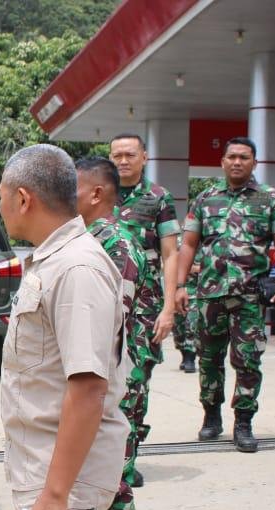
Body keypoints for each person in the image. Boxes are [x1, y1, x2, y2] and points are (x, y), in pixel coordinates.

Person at [0, 144, 128, 510]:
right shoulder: (55, 260)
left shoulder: (75, 268)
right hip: (50, 470)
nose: (1, 205)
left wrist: (55, 497)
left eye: (2, 196)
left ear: (23, 198)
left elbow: (88, 389)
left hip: (64, 482)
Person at [177, 137, 275, 452]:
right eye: (232, 157)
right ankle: (211, 415)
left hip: (249, 297)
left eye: (244, 157)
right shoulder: (205, 199)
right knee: (208, 359)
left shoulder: (269, 198)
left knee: (248, 360)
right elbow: (188, 245)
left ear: (254, 162)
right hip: (209, 295)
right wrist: (179, 286)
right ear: (223, 162)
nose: (237, 162)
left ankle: (243, 422)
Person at [75, 157, 148, 510]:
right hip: (101, 375)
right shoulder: (88, 240)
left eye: (73, 188)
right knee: (95, 471)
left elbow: (108, 321)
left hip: (118, 378)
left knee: (114, 473)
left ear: (97, 193)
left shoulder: (115, 244)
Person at [109, 134, 180, 486]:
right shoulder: (97, 193)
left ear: (144, 157)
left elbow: (171, 254)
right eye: (117, 155)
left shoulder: (158, 198)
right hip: (103, 302)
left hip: (144, 306)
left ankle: (127, 458)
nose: (123, 161)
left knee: (135, 383)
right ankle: (104, 459)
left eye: (130, 154)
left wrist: (169, 308)